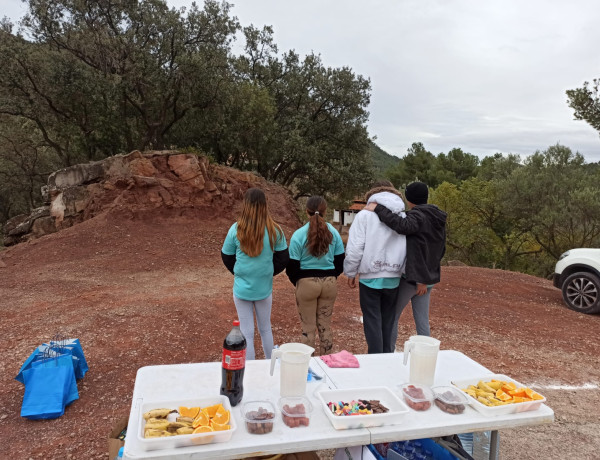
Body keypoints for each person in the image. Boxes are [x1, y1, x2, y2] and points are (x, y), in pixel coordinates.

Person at [365, 181, 447, 336]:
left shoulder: (418, 216)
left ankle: (388, 355)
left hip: (414, 279)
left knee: (391, 317)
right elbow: (440, 249)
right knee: (422, 321)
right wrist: (427, 277)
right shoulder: (437, 217)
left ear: (409, 199)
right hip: (428, 279)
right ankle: (425, 354)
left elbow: (401, 225)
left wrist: (378, 208)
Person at [221, 187, 289, 360]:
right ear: (265, 205)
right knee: (265, 329)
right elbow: (283, 257)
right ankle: (269, 364)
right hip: (264, 289)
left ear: (245, 205)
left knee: (247, 331)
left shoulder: (236, 229)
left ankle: (251, 370)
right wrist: (268, 272)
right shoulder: (275, 230)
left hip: (242, 289)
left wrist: (238, 272)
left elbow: (226, 255)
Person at [343, 180, 407, 354]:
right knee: (388, 320)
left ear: (372, 194)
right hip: (394, 277)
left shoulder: (364, 215)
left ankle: (375, 359)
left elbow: (356, 248)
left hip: (370, 277)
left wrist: (350, 272)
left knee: (372, 320)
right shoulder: (402, 216)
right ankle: (386, 357)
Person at [286, 196, 345, 355]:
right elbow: (340, 262)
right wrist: (330, 277)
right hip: (329, 284)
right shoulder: (334, 234)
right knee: (325, 327)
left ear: (306, 212)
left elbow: (291, 266)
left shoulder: (298, 235)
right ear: (325, 212)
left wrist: (300, 282)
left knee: (308, 329)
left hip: (306, 284)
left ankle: (309, 366)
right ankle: (326, 363)